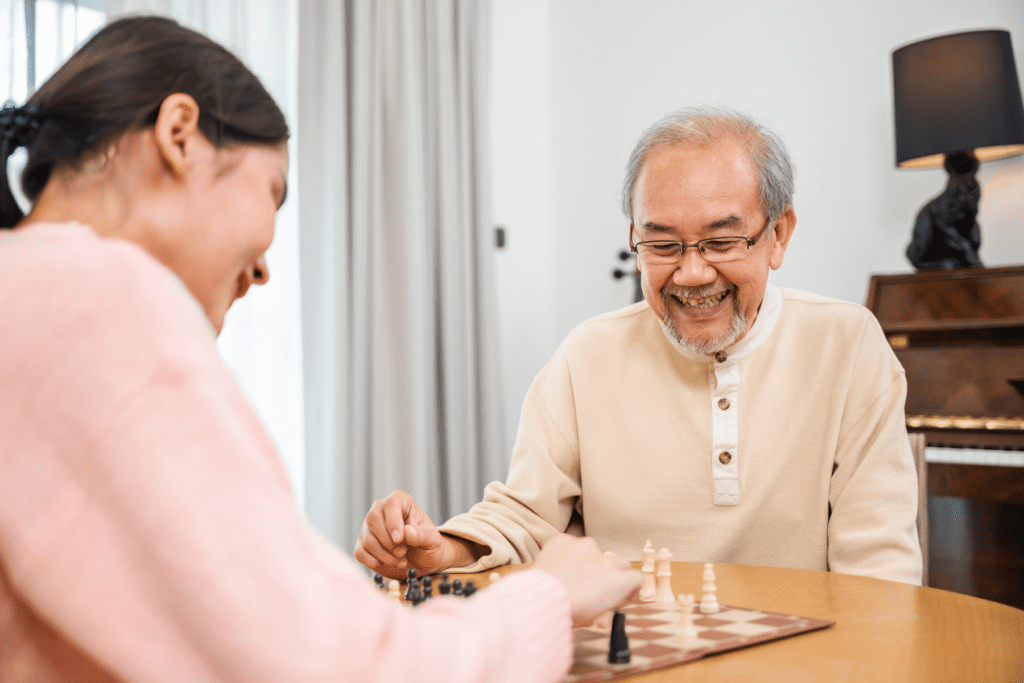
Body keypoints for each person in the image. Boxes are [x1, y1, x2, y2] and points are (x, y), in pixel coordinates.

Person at [0, 16, 641, 683]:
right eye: (272, 190)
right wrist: (549, 596)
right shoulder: (100, 300)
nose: (267, 267)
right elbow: (346, 668)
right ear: (179, 134)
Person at [356, 107, 923, 586]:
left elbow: (877, 564)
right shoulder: (587, 355)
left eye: (721, 241)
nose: (693, 273)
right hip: (632, 654)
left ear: (778, 235)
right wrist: (444, 549)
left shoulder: (846, 345)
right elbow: (527, 516)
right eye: (662, 244)